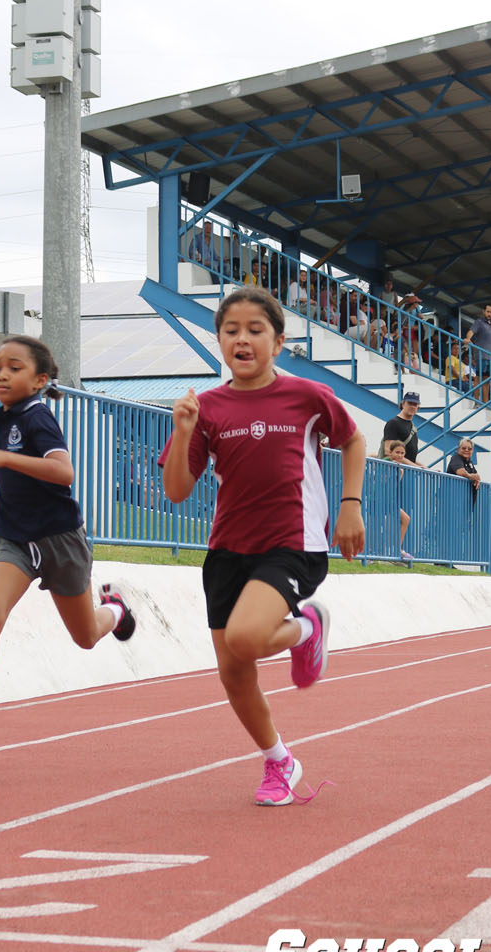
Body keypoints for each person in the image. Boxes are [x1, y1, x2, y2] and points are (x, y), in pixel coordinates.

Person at [161, 286, 366, 806]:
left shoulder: (307, 396)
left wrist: (350, 505)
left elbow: (354, 439)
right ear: (219, 341)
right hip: (229, 547)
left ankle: (306, 627)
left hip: (293, 542)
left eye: (255, 330)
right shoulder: (205, 407)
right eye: (231, 331)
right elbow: (178, 491)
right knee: (233, 673)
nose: (242, 339)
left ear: (279, 342)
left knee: (247, 639)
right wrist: (184, 431)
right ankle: (280, 762)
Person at [0, 335, 137, 760]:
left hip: (60, 537)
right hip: (14, 536)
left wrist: (4, 459)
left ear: (41, 379)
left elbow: (63, 473)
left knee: (85, 637)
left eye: (14, 367)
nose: (1, 374)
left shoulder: (37, 416)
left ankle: (115, 610)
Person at [380, 438, 418, 561]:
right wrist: (393, 470)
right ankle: (372, 552)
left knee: (405, 519)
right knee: (376, 526)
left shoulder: (399, 467)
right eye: (397, 452)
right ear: (390, 453)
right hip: (378, 499)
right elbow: (382, 479)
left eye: (402, 453)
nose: (400, 455)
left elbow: (393, 485)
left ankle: (396, 548)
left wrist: (400, 473)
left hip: (389, 500)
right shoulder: (386, 462)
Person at [382, 392, 420, 464]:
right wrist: (414, 466)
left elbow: (411, 457)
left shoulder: (412, 426)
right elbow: (388, 451)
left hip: (408, 471)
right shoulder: (393, 423)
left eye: (415, 404)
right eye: (410, 403)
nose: (412, 406)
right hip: (396, 470)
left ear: (418, 408)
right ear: (403, 404)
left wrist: (425, 468)